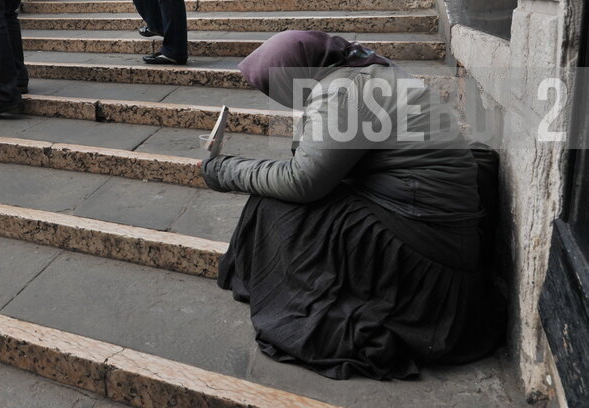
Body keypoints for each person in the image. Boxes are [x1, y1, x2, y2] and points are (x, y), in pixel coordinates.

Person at [201, 30, 502, 380]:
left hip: (425, 251)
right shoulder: (365, 68)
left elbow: (303, 181)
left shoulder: (343, 91)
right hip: (439, 232)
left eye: (275, 88)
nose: (278, 98)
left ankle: (296, 290)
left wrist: (222, 170)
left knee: (274, 208)